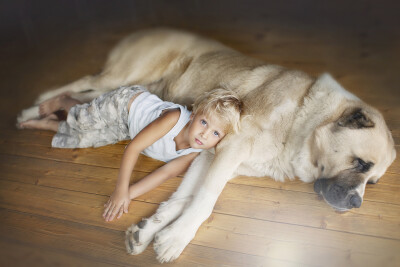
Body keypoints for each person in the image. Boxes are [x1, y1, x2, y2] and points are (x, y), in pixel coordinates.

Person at [18, 85, 242, 221]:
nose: (204, 134)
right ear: (192, 115)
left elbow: (165, 174)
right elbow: (133, 147)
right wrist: (119, 189)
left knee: (88, 139)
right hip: (124, 104)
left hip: (130, 128)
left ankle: (50, 124)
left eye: (215, 133)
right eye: (203, 122)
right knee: (83, 122)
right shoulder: (173, 119)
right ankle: (63, 101)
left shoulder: (193, 153)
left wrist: (128, 195)